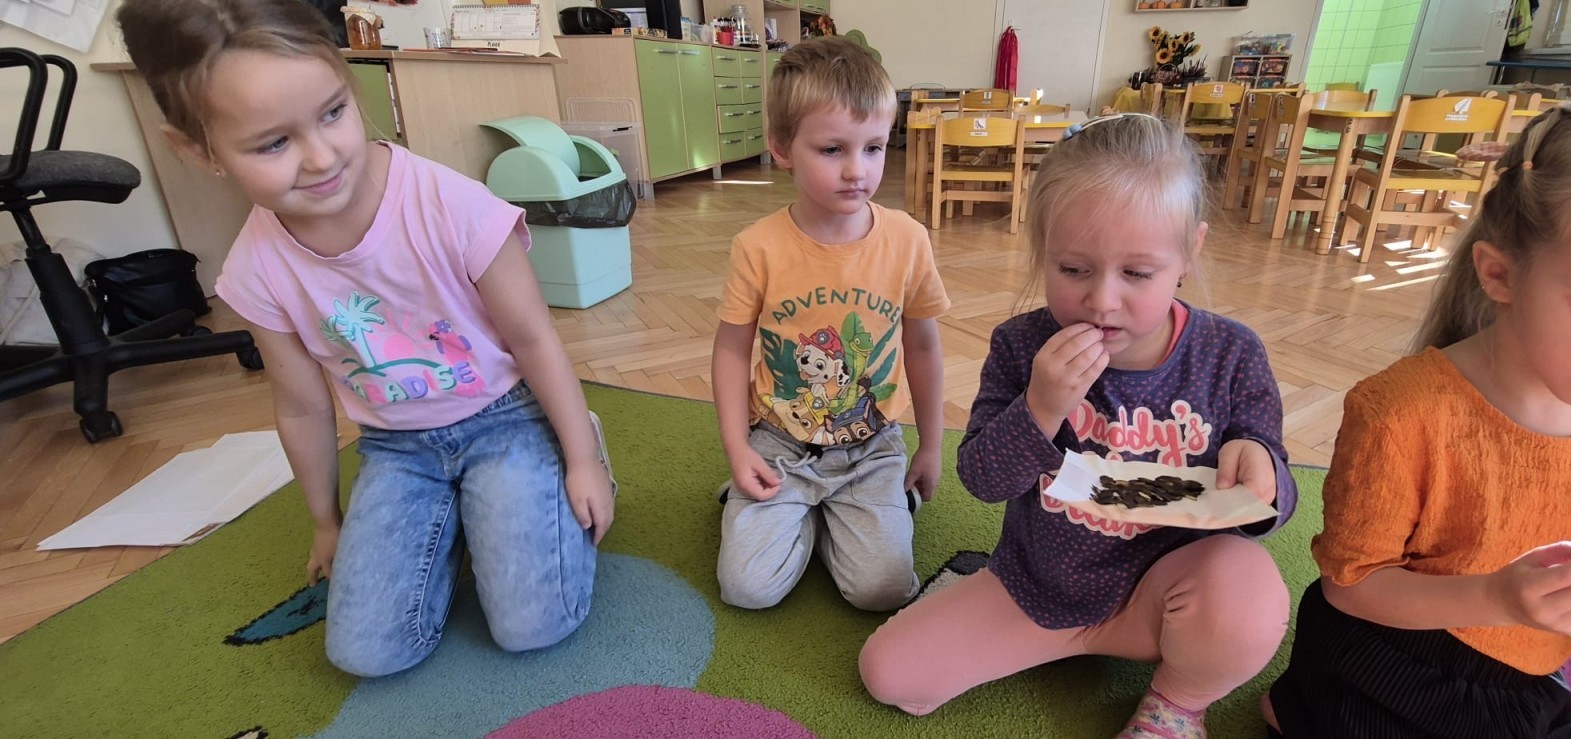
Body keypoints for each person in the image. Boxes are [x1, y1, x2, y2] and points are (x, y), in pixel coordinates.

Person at [116, 0, 615, 677]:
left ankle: (565, 449)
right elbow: (301, 405)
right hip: (397, 446)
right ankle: (467, 513)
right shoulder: (255, 270)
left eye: (333, 112)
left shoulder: (453, 205)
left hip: (508, 418)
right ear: (198, 151)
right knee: (366, 651)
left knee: (534, 626)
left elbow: (534, 338)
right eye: (273, 144)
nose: (322, 157)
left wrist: (581, 459)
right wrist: (327, 520)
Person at [859, 113, 1297, 738]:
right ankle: (999, 604)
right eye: (1073, 269)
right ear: (1043, 251)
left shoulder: (1231, 353)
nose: (1102, 300)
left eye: (1137, 274)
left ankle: (1176, 705)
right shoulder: (1022, 345)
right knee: (889, 674)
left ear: (1189, 252)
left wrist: (1260, 465)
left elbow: (1273, 503)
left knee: (1248, 591)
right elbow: (981, 479)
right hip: (1035, 589)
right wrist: (1040, 407)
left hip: (1161, 605)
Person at [1266, 103, 1571, 739]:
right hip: (1389, 658)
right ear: (1499, 274)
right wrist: (1497, 597)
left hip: (1524, 672)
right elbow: (1352, 587)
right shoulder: (1402, 411)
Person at [712, 37, 949, 612]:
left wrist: (931, 445)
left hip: (871, 444)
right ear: (782, 148)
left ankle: (835, 516)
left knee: (882, 591)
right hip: (779, 442)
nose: (856, 171)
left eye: (874, 148)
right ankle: (809, 516)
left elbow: (922, 347)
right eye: (832, 149)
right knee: (746, 588)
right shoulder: (757, 246)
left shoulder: (907, 240)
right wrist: (737, 448)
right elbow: (730, 351)